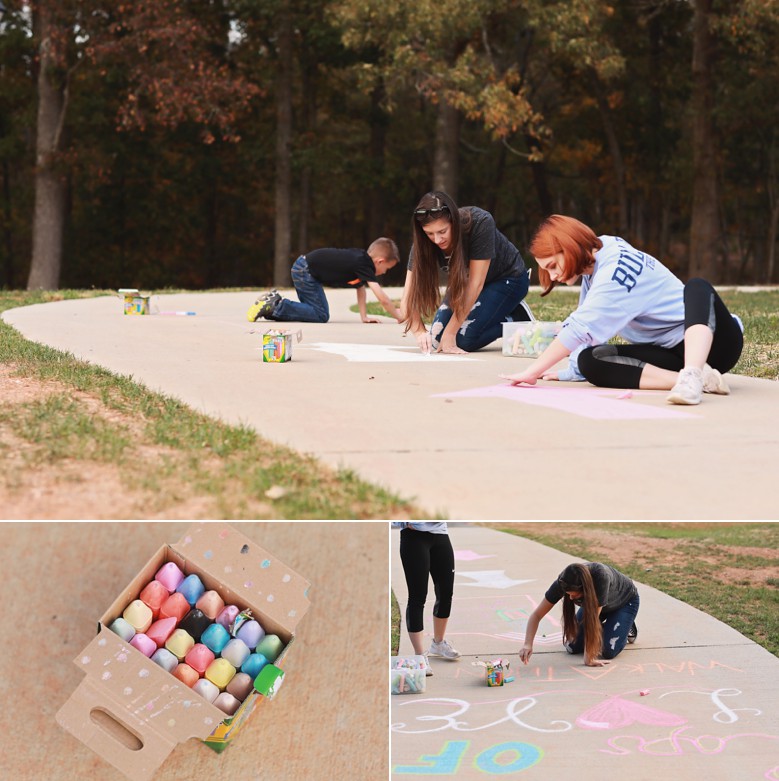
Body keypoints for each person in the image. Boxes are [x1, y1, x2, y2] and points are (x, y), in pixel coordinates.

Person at [500, 215, 744, 405]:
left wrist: (531, 372)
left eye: (553, 265)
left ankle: (692, 374)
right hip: (668, 352)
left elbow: (578, 329)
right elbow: (586, 319)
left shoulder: (615, 270)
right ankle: (696, 379)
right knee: (590, 361)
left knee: (697, 286)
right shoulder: (598, 259)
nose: (553, 275)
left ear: (570, 245)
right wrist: (574, 369)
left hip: (717, 342)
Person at [401, 191, 533, 354]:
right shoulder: (422, 244)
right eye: (430, 234)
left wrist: (451, 333)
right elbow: (407, 300)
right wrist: (420, 332)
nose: (437, 240)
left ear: (454, 222)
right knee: (436, 337)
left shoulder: (480, 221)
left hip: (508, 280)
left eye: (442, 232)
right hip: (467, 284)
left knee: (462, 340)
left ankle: (517, 317)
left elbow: (476, 284)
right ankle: (496, 310)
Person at [247, 237, 403, 324]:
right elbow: (383, 299)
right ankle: (278, 305)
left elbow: (360, 288)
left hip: (304, 268)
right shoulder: (364, 263)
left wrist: (364, 316)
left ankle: (270, 310)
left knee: (310, 312)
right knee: (320, 314)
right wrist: (398, 315)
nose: (384, 273)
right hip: (306, 271)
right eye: (387, 269)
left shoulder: (361, 261)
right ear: (380, 261)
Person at [519, 562, 639, 668]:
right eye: (568, 594)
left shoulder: (600, 577)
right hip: (595, 607)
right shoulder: (564, 581)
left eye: (575, 595)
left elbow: (591, 622)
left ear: (585, 589)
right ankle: (611, 626)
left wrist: (588, 658)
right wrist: (527, 644)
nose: (571, 598)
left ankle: (625, 625)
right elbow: (536, 615)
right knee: (572, 646)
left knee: (608, 650)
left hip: (623, 602)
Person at [392, 522, 460, 674]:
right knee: (417, 596)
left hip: (440, 534)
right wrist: (403, 522)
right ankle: (419, 655)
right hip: (414, 537)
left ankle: (438, 643)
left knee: (446, 592)